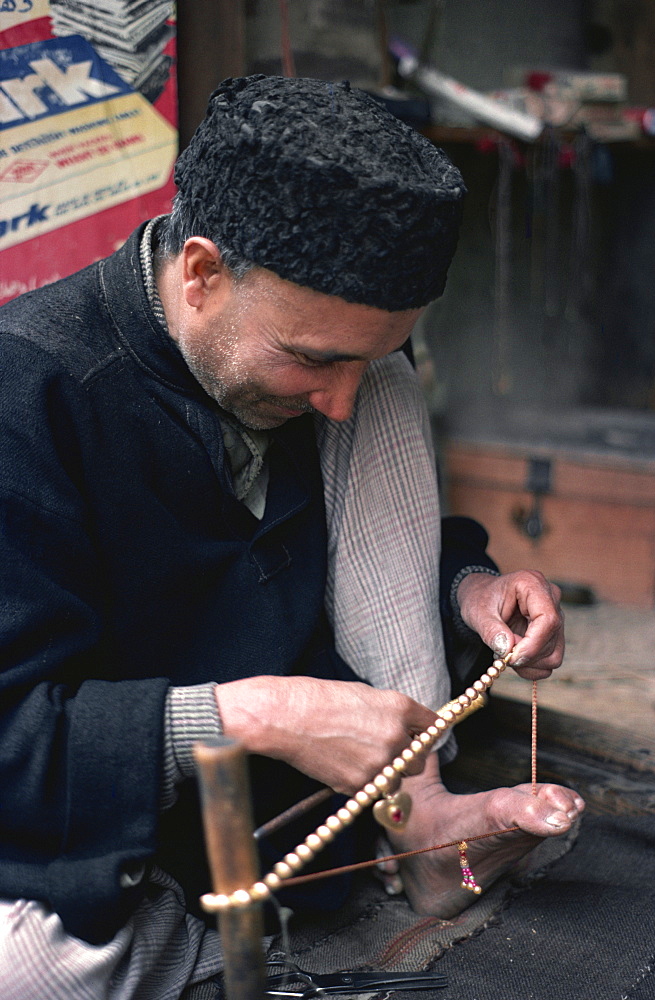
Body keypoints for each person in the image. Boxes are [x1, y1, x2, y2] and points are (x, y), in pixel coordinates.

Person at [0, 75, 582, 999]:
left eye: (364, 351)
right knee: (28, 969)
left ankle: (422, 818)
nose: (338, 400)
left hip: (318, 802)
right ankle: (202, 934)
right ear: (201, 273)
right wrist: (261, 714)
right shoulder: (28, 389)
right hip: (114, 823)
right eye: (312, 358)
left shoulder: (342, 377)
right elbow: (16, 742)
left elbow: (348, 538)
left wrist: (469, 587)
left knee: (386, 391)